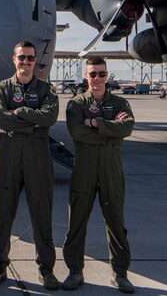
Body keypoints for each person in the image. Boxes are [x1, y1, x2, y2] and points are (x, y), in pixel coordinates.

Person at [0, 41, 60, 291]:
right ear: (13, 59)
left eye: (30, 58)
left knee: (42, 213)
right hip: (9, 157)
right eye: (21, 58)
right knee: (3, 214)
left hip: (37, 158)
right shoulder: (2, 88)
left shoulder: (46, 89)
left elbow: (49, 117)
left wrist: (20, 113)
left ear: (35, 60)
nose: (25, 62)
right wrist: (33, 123)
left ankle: (46, 270)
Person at [63, 56, 136, 293]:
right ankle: (75, 271)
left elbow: (127, 128)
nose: (97, 78)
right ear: (86, 75)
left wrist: (94, 122)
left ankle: (120, 273)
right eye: (92, 74)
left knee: (115, 221)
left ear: (107, 75)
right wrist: (109, 128)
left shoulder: (120, 103)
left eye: (101, 74)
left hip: (110, 169)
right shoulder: (76, 104)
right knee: (77, 222)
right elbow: (77, 133)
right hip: (84, 169)